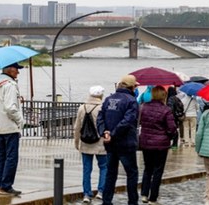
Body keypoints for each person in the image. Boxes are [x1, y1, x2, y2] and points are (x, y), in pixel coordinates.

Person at [97, 74, 140, 205]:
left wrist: (105, 133)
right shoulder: (131, 101)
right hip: (126, 143)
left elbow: (100, 118)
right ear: (132, 87)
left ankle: (107, 200)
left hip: (110, 144)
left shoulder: (108, 99)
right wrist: (113, 133)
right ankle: (132, 202)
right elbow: (127, 121)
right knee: (131, 173)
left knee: (110, 173)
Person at [0, 62, 25, 196]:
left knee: (2, 157)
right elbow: (10, 108)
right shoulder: (9, 85)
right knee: (11, 157)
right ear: (10, 70)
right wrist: (20, 121)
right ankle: (6, 186)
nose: (18, 72)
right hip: (10, 127)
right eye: (17, 69)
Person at [139, 86, 177, 205]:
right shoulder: (166, 110)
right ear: (163, 96)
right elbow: (172, 128)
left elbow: (140, 122)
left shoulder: (143, 107)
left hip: (146, 142)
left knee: (147, 168)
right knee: (158, 170)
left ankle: (144, 194)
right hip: (161, 144)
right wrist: (169, 136)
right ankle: (153, 198)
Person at [74, 85, 107, 203]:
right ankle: (101, 191)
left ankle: (86, 194)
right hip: (100, 143)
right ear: (101, 95)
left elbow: (77, 127)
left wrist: (76, 142)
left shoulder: (82, 107)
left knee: (86, 169)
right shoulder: (103, 108)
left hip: (85, 142)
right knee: (104, 167)